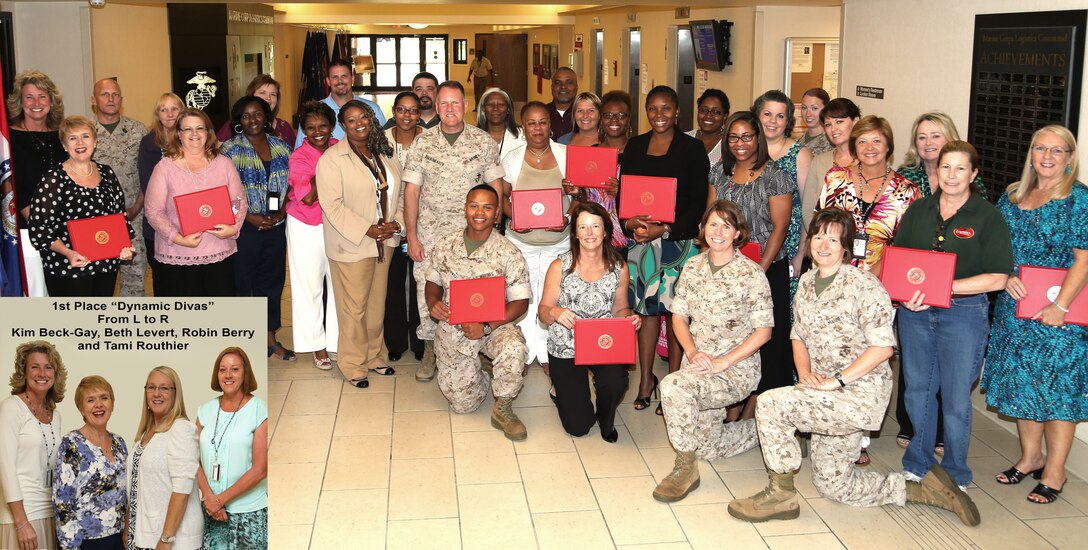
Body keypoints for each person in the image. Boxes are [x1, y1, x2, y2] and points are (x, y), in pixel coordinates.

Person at [727, 208, 980, 527]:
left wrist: (836, 382)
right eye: (818, 236)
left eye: (832, 238)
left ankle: (780, 495)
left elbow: (883, 347)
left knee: (771, 404)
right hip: (822, 389)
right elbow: (798, 336)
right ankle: (922, 490)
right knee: (835, 486)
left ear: (846, 246)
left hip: (857, 394)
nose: (823, 244)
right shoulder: (806, 282)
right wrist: (804, 374)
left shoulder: (864, 285)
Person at [894, 141, 1013, 492]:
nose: (952, 175)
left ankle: (957, 472)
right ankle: (919, 461)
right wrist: (906, 294)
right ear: (937, 169)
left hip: (964, 314)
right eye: (946, 167)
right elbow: (900, 260)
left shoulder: (987, 216)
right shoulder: (919, 209)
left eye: (961, 168)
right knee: (917, 391)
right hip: (915, 313)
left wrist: (944, 288)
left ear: (974, 174)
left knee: (957, 398)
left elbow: (998, 277)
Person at [983, 125, 1087, 505]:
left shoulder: (1078, 200)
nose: (1047, 156)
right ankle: (1030, 458)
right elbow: (992, 244)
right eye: (1040, 149)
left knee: (1058, 393)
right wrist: (1006, 275)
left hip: (1061, 315)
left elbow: (1084, 260)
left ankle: (1055, 472)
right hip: (1015, 309)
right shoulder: (1012, 196)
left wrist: (1059, 307)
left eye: (1057, 151)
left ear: (1069, 158)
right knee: (1022, 386)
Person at [654, 201, 772, 502]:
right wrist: (692, 353)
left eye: (726, 226)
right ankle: (766, 428)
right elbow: (679, 316)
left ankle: (684, 469)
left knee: (672, 387)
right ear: (703, 229)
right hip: (699, 364)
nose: (718, 232)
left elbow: (764, 331)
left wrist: (722, 363)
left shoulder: (751, 273)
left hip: (735, 370)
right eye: (713, 224)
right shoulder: (693, 266)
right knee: (707, 447)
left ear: (737, 233)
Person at [403, 81, 504, 383]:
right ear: (435, 106)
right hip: (431, 234)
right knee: (428, 294)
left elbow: (495, 186)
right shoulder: (422, 143)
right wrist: (411, 236)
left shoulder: (482, 141)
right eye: (443, 103)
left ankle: (476, 349)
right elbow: (411, 191)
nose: (449, 109)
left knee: (474, 291)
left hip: (472, 234)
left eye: (455, 103)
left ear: (465, 105)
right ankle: (431, 350)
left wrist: (494, 229)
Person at [619, 85, 710, 415]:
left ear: (677, 112)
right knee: (645, 313)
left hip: (679, 243)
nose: (660, 115)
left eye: (666, 108)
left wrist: (666, 228)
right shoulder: (635, 145)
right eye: (653, 109)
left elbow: (698, 201)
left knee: (675, 314)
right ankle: (646, 380)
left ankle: (672, 381)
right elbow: (625, 197)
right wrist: (631, 223)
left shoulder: (692, 148)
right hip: (642, 243)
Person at [424, 185, 531, 439]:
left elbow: (521, 303)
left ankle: (503, 408)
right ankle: (483, 371)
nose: (479, 212)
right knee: (463, 406)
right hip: (455, 326)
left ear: (497, 215)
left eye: (488, 207)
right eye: (474, 205)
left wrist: (486, 326)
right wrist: (433, 303)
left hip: (495, 325)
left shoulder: (509, 252)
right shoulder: (445, 245)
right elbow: (432, 282)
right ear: (465, 209)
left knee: (514, 347)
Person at [317, 100, 403, 388]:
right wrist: (367, 229)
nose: (359, 124)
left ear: (372, 119)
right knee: (353, 309)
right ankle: (353, 363)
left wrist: (397, 224)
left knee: (377, 305)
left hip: (384, 241)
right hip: (351, 244)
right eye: (351, 120)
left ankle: (374, 356)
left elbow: (399, 194)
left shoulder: (384, 152)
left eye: (363, 118)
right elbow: (332, 205)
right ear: (343, 125)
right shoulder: (332, 159)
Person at [714, 110, 796, 408]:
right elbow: (710, 219)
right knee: (732, 335)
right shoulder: (718, 172)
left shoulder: (776, 176)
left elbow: (780, 228)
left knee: (768, 342)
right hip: (725, 269)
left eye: (747, 136)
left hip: (765, 269)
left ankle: (763, 408)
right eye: (734, 137)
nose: (740, 143)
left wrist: (758, 271)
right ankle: (734, 402)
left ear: (758, 138)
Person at [538, 201, 638, 441]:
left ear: (605, 231)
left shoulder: (619, 267)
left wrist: (630, 319)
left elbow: (620, 308)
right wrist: (555, 313)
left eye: (595, 226)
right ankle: (558, 388)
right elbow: (543, 311)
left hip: (602, 344)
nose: (589, 233)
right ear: (575, 233)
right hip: (566, 346)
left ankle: (606, 420)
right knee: (578, 427)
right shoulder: (560, 266)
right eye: (583, 227)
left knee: (616, 382)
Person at [28, 115, 136, 297]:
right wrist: (68, 252)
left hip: (106, 265)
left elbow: (119, 217)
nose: (80, 142)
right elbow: (38, 230)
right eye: (72, 138)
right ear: (64, 145)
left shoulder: (107, 173)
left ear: (95, 142)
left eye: (85, 136)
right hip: (68, 266)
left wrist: (125, 247)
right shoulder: (53, 179)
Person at [144, 108, 247, 296]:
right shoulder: (165, 168)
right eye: (187, 129)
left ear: (208, 132)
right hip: (177, 252)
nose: (194, 134)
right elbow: (153, 211)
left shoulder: (224, 164)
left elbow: (238, 201)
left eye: (200, 128)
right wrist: (177, 237)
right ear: (178, 134)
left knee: (218, 317)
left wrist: (234, 227)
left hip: (218, 251)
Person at [222, 96, 294, 362]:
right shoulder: (228, 150)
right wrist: (248, 217)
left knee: (272, 284)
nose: (252, 120)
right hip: (244, 228)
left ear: (267, 117)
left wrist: (281, 210)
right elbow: (221, 193)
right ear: (238, 121)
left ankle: (269, 338)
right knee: (243, 284)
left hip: (275, 226)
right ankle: (244, 343)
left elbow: (292, 185)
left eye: (257, 114)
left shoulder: (282, 147)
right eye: (246, 115)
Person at [501, 101, 570, 383]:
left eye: (543, 122)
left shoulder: (566, 155)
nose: (538, 128)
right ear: (523, 127)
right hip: (522, 242)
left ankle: (548, 354)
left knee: (552, 297)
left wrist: (567, 217)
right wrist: (515, 218)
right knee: (523, 296)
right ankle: (525, 353)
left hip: (559, 242)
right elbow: (502, 198)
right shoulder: (512, 159)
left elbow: (580, 197)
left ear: (550, 126)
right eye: (531, 123)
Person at [817, 115, 919, 274]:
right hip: (831, 274)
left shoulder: (907, 190)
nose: (869, 148)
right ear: (854, 148)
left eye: (877, 141)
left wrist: (868, 279)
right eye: (862, 142)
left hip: (881, 281)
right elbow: (820, 229)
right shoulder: (835, 178)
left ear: (888, 146)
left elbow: (904, 245)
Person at [196, 348, 268, 549]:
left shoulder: (259, 410)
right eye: (222, 370)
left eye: (235, 369)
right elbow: (193, 460)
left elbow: (260, 469)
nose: (228, 375)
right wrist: (210, 499)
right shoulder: (204, 411)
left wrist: (220, 500)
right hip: (211, 511)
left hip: (250, 513)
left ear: (245, 373)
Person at [287, 100, 339, 371]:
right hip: (306, 225)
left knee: (338, 284)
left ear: (332, 126)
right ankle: (316, 346)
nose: (317, 131)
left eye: (323, 126)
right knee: (310, 287)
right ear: (303, 130)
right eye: (310, 128)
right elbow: (307, 197)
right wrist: (327, 171)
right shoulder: (299, 157)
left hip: (336, 225)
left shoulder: (338, 148)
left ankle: (337, 342)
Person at [127, 367, 203, 550]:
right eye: (151, 387)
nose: (156, 393)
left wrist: (166, 539)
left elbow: (182, 491)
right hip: (144, 536)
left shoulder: (182, 429)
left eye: (164, 388)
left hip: (172, 541)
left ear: (176, 394)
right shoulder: (146, 434)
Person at [0, 341, 67, 550]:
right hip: (21, 516)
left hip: (48, 512)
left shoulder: (54, 415)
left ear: (55, 374)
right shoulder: (12, 408)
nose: (42, 373)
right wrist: (21, 524)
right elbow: (5, 468)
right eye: (34, 367)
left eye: (48, 367)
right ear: (24, 372)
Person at [7, 69, 67, 297]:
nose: (36, 103)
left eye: (42, 97)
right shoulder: (9, 138)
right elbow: (14, 186)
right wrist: (40, 224)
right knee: (36, 292)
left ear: (51, 101)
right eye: (29, 97)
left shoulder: (61, 135)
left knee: (62, 291)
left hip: (63, 228)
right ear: (19, 102)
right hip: (27, 229)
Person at [52, 375, 127, 550]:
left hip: (119, 540)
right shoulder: (71, 444)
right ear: (81, 408)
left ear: (112, 403)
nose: (98, 405)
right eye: (90, 400)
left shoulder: (119, 443)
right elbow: (62, 504)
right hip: (86, 543)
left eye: (104, 398)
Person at [90, 77, 148, 297]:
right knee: (99, 280)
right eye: (105, 94)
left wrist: (136, 207)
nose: (111, 98)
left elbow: (147, 174)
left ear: (121, 100)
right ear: (93, 99)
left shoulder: (138, 130)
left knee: (135, 279)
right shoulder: (85, 132)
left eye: (115, 94)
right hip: (97, 221)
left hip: (134, 215)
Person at [752, 90, 813, 281]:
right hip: (749, 242)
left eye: (780, 116)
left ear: (788, 122)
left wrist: (800, 253)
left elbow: (807, 208)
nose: (773, 121)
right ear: (756, 116)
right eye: (767, 114)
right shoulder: (744, 149)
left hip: (789, 244)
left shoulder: (800, 154)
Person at [384, 92, 425, 363]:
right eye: (401, 110)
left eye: (412, 110)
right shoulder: (382, 140)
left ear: (419, 113)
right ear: (394, 111)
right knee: (393, 280)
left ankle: (421, 341)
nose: (407, 116)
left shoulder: (429, 139)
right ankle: (396, 340)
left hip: (424, 216)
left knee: (421, 281)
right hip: (391, 218)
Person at [136, 92, 183, 297]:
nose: (170, 113)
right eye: (164, 109)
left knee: (186, 278)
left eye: (175, 108)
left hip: (187, 219)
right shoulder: (148, 143)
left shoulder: (192, 137)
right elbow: (147, 184)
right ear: (158, 115)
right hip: (156, 222)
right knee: (163, 278)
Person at [294, 59, 386, 148]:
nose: (340, 81)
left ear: (352, 79)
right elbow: (300, 150)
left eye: (344, 76)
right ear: (328, 81)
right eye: (335, 77)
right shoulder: (313, 112)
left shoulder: (372, 108)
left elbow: (385, 142)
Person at [801, 98, 860, 232]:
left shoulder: (867, 160)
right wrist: (822, 237)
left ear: (855, 121)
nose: (833, 129)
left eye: (839, 122)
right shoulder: (819, 161)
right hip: (823, 238)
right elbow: (808, 209)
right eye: (828, 124)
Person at [899, 112, 986, 198]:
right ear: (915, 143)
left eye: (936, 136)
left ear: (950, 139)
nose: (928, 143)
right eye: (922, 137)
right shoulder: (905, 176)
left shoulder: (967, 176)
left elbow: (983, 210)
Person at [216, 74, 295, 146]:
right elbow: (216, 154)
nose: (268, 98)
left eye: (273, 94)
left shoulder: (285, 127)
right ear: (251, 96)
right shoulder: (234, 124)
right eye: (262, 93)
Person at [686, 88, 731, 200]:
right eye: (703, 110)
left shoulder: (730, 144)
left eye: (716, 112)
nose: (708, 116)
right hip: (684, 205)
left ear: (725, 116)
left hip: (716, 205)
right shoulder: (683, 139)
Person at [476, 87, 524, 160]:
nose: (495, 108)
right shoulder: (472, 138)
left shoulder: (522, 137)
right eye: (490, 104)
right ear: (483, 108)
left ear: (508, 109)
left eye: (501, 105)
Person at [797, 88, 833, 156]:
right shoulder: (796, 142)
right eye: (804, 108)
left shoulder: (832, 144)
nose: (808, 114)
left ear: (826, 110)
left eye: (814, 108)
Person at [546, 67, 578, 140]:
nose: (563, 86)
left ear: (576, 87)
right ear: (552, 87)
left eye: (569, 82)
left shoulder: (585, 116)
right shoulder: (541, 113)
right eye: (558, 83)